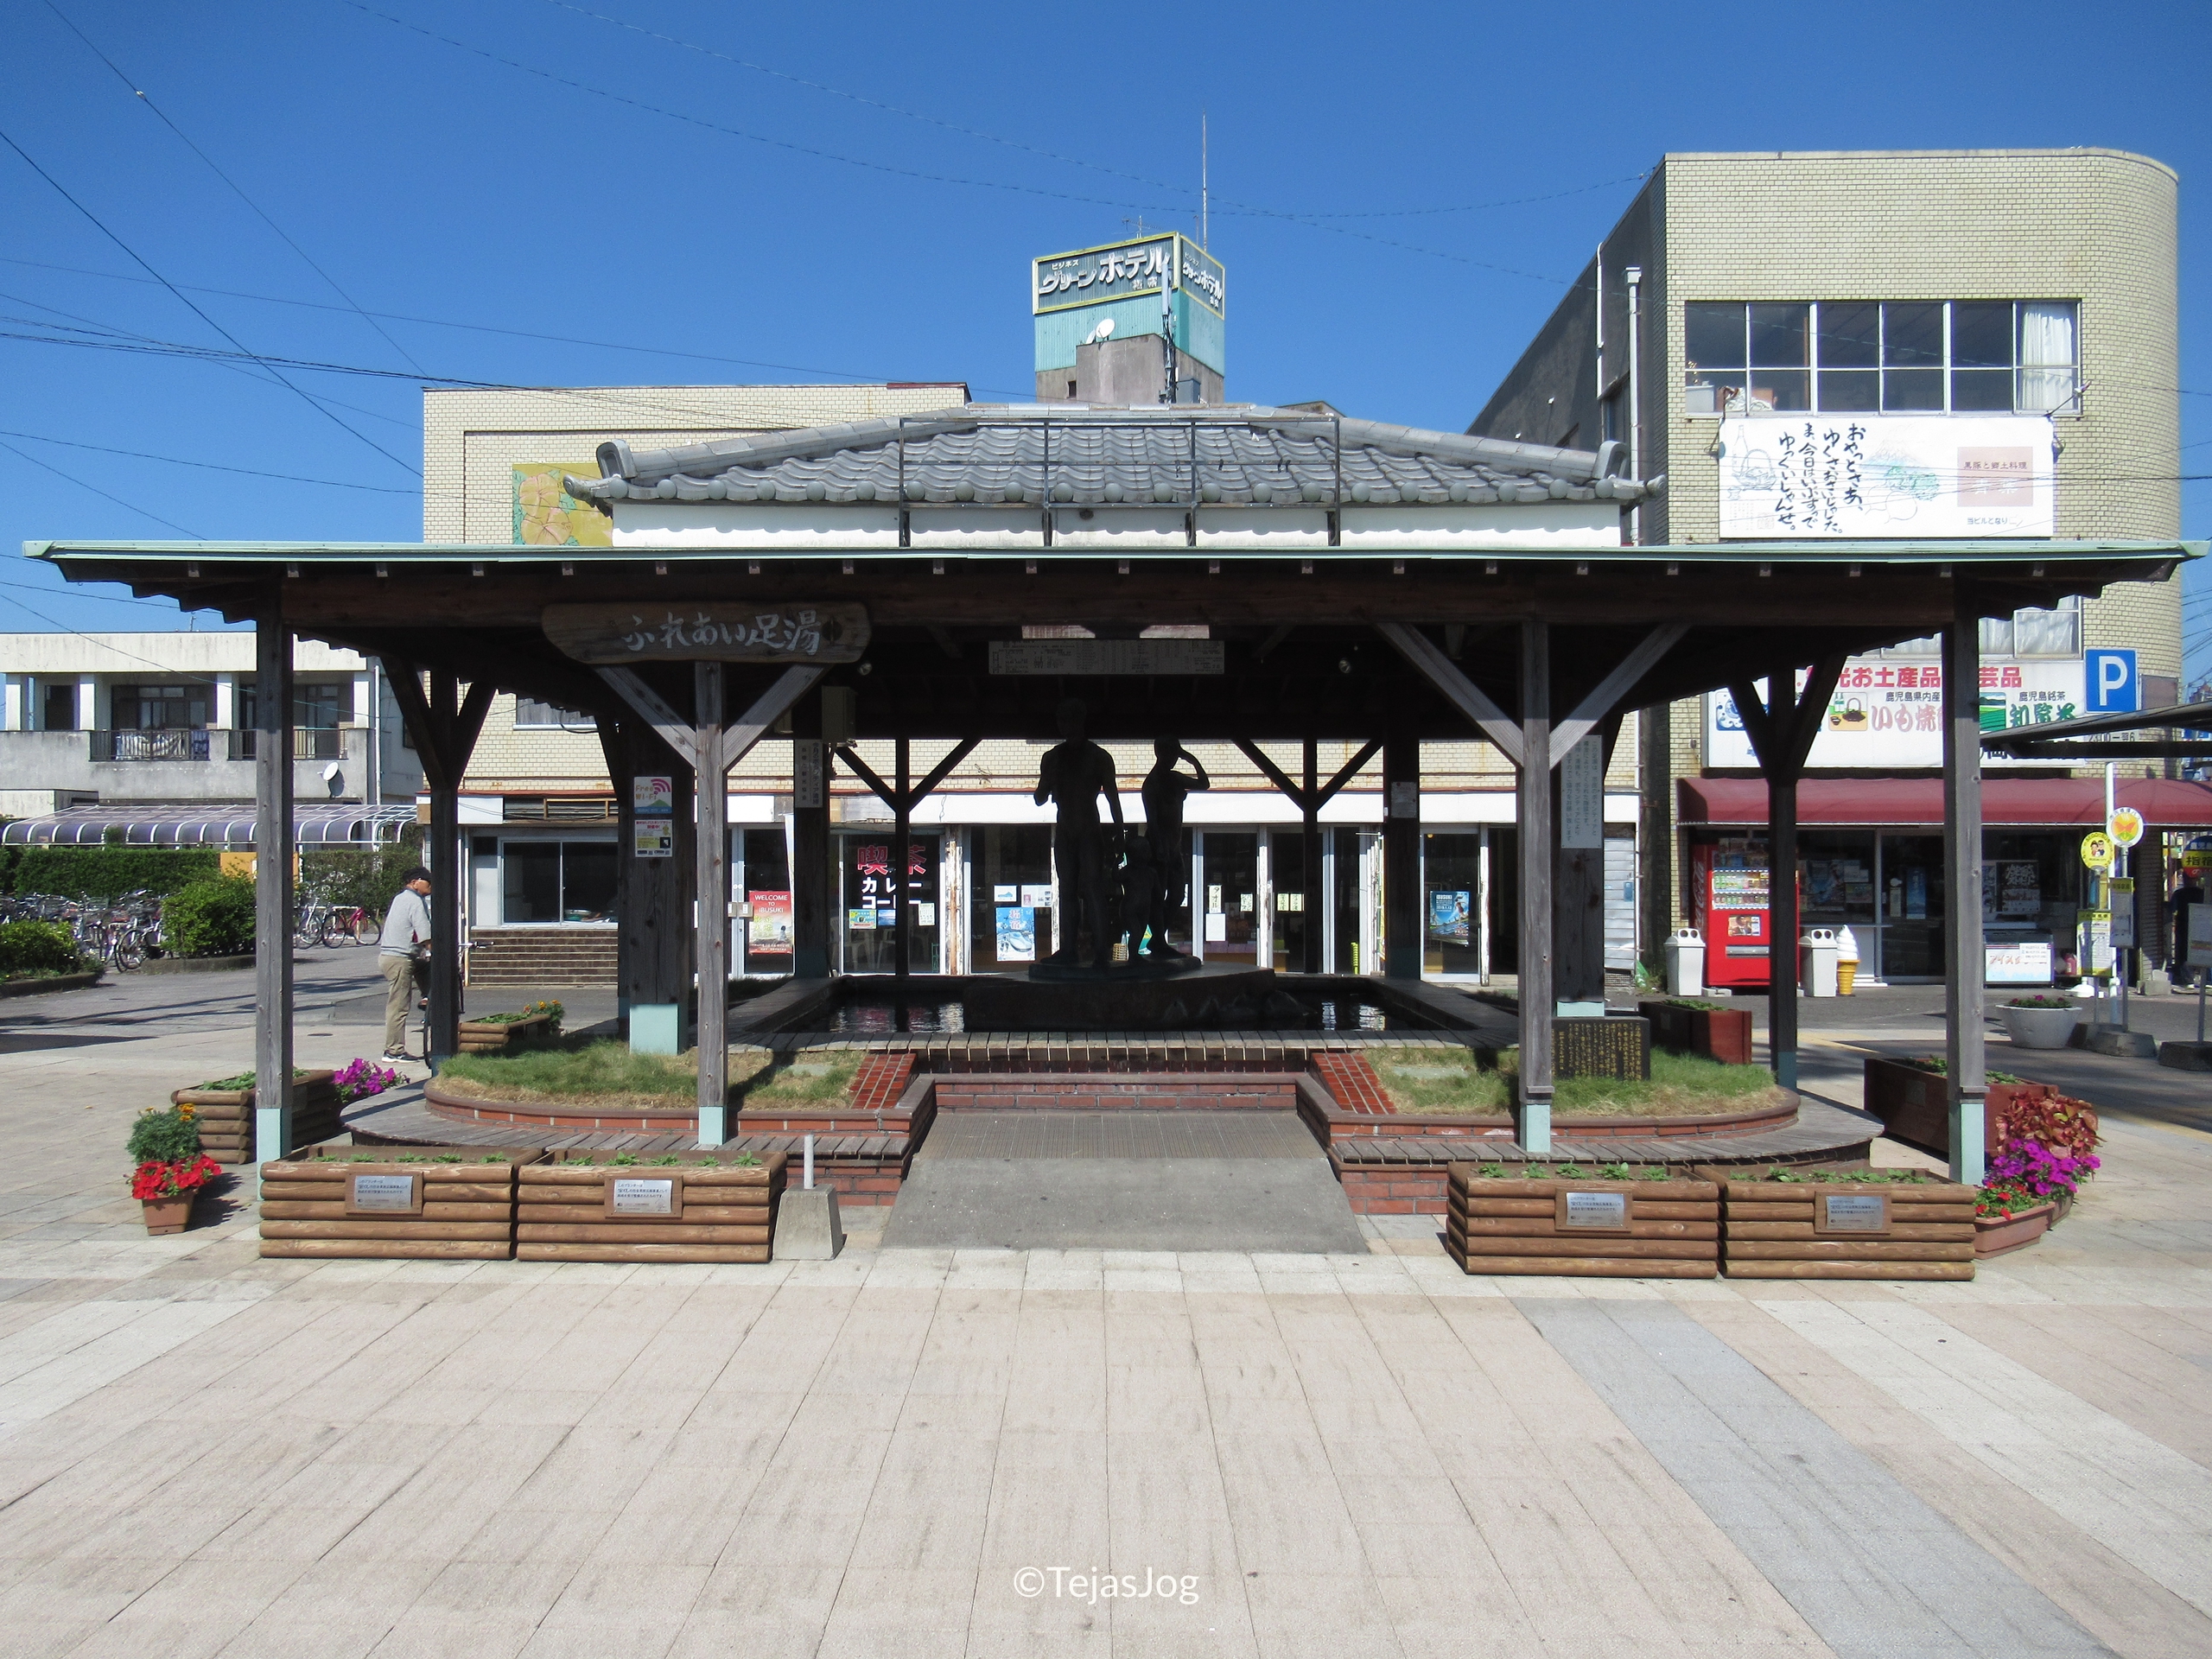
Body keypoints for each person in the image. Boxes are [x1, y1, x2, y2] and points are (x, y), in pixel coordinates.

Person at [1034, 699, 1123, 968]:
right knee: (1067, 890)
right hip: (1065, 831)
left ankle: (1100, 952)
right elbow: (1039, 798)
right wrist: (1048, 780)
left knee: (1094, 889)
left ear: (1080, 721)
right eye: (1061, 720)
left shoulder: (1099, 757)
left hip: (1089, 829)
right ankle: (1069, 950)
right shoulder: (1051, 758)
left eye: (1069, 720)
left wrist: (1120, 832)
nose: (1064, 726)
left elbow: (1113, 799)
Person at [1139, 737, 1208, 951]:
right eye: (1171, 754)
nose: (1174, 760)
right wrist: (1159, 847)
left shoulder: (1176, 779)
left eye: (1176, 756)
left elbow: (1204, 784)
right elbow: (1153, 819)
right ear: (1160, 753)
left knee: (1177, 894)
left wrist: (1191, 758)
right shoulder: (1152, 784)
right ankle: (1158, 939)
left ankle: (1158, 938)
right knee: (1158, 896)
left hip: (1175, 846)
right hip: (1159, 845)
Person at [379, 866, 433, 1059]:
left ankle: (428, 997)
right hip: (399, 958)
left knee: (426, 968)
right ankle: (393, 1051)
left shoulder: (400, 898)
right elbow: (425, 933)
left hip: (395, 957)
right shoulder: (415, 901)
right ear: (415, 882)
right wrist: (433, 949)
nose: (431, 886)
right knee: (399, 1006)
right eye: (428, 882)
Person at [2172, 875, 2206, 991]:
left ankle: (2188, 980)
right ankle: (2208, 979)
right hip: (2201, 925)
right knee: (2204, 950)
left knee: (2183, 953)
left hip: (2183, 925)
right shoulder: (2202, 893)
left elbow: (2172, 908)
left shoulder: (2179, 893)